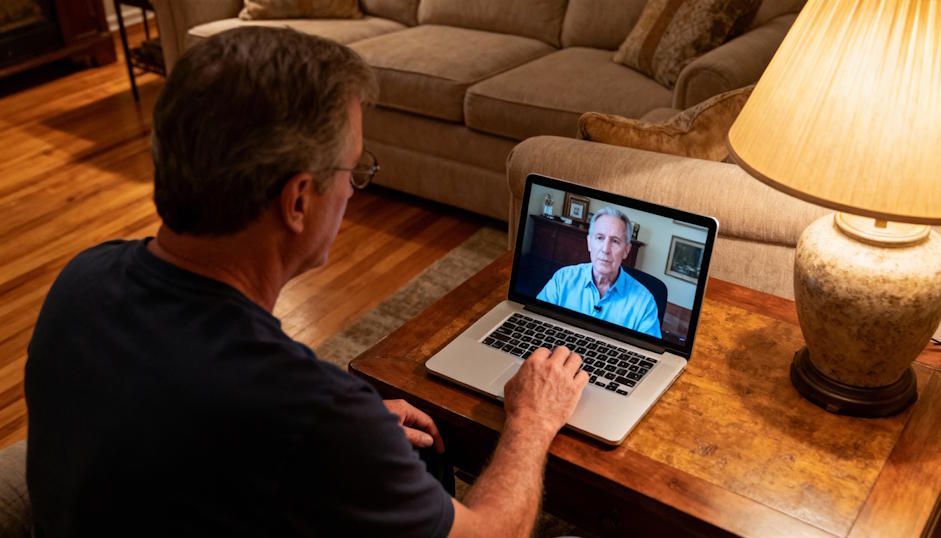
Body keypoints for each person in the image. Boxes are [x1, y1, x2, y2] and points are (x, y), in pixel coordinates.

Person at [24, 28, 588, 537]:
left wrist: (354, 439)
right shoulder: (304, 410)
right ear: (298, 200)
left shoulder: (81, 281)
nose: (352, 190)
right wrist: (532, 420)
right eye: (354, 170)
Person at [537, 207, 662, 338]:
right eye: (600, 238)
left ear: (626, 250)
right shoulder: (562, 279)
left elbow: (648, 352)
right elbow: (537, 324)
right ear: (589, 243)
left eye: (615, 241)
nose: (605, 249)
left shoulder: (645, 303)